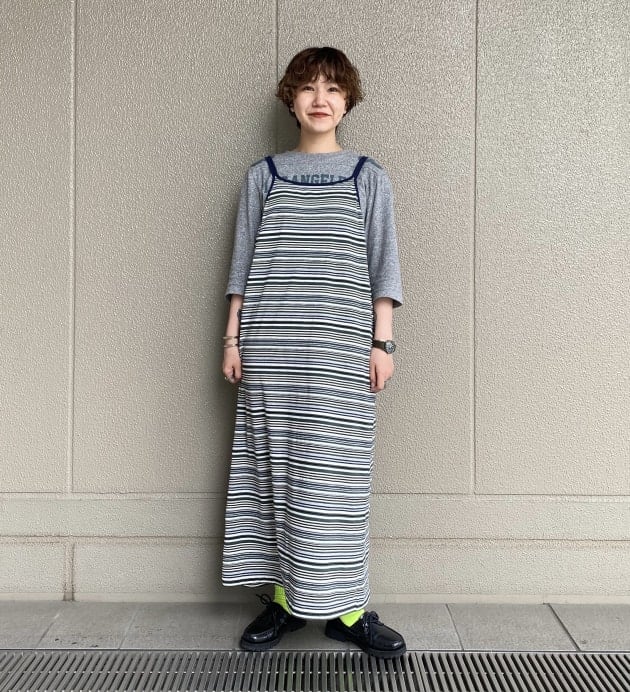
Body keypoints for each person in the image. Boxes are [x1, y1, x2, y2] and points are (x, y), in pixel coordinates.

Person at [221, 47, 405, 659]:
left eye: (332, 88)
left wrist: (381, 343)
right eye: (307, 87)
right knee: (274, 475)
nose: (319, 99)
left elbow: (384, 266)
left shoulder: (368, 177)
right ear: (291, 100)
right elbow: (242, 265)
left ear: (347, 101)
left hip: (339, 354)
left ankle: (346, 610)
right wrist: (232, 338)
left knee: (335, 481)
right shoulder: (263, 176)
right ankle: (282, 602)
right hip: (270, 350)